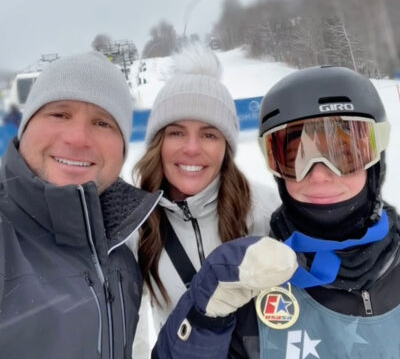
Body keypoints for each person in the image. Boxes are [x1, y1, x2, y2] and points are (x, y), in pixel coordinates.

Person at [152, 65, 399, 359]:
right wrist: (203, 314)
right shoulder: (255, 275)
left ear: (376, 158)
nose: (319, 175)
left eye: (344, 155)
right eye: (296, 159)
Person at [0, 51, 162, 359]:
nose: (78, 138)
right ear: (25, 126)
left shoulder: (122, 252)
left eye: (103, 122)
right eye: (59, 114)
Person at [128, 44, 280, 336]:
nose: (192, 149)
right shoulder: (135, 223)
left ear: (226, 146)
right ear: (158, 142)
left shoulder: (265, 209)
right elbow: (128, 330)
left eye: (209, 134)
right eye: (176, 132)